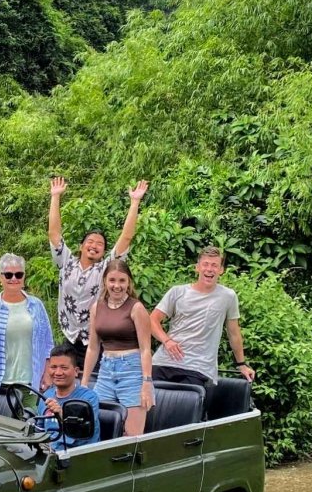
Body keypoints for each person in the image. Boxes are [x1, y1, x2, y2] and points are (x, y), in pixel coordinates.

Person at [48, 176, 149, 351]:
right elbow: (54, 233)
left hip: (96, 342)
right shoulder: (66, 262)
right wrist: (55, 197)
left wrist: (134, 202)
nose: (94, 246)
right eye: (90, 241)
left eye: (100, 244)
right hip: (69, 338)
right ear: (81, 246)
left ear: (104, 251)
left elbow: (126, 237)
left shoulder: (105, 269)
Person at [150, 246, 255, 388]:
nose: (209, 269)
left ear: (221, 270)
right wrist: (167, 341)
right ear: (197, 267)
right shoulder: (177, 292)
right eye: (205, 264)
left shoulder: (228, 296)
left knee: (186, 406)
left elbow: (233, 333)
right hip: (162, 362)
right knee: (145, 400)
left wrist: (241, 364)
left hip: (198, 368)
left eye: (214, 265)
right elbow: (152, 320)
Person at [0, 253, 55, 419]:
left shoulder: (36, 306)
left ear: (24, 277)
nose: (13, 278)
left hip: (30, 382)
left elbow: (48, 343)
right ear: (0, 278)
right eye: (8, 275)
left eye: (18, 274)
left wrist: (47, 373)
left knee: (28, 426)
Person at [80, 258, 154, 436]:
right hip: (106, 371)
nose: (117, 286)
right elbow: (93, 347)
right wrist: (83, 382)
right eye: (112, 280)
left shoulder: (136, 308)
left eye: (122, 280)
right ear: (105, 281)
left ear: (129, 282)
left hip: (132, 370)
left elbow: (145, 349)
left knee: (131, 434)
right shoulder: (97, 307)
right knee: (99, 425)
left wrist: (146, 383)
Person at [35, 346, 101, 449]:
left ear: (76, 371)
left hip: (77, 455)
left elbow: (83, 432)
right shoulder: (47, 395)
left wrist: (62, 414)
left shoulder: (88, 398)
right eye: (53, 367)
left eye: (64, 368)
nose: (58, 373)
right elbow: (39, 431)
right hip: (48, 452)